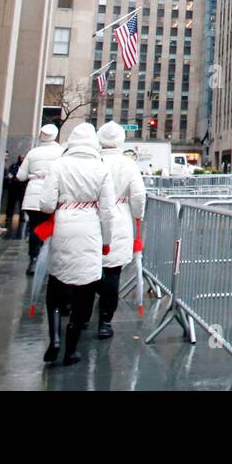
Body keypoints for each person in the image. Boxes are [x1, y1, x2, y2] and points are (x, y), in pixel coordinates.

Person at [37, 122, 116, 366]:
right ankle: (71, 348)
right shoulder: (101, 169)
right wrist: (107, 241)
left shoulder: (59, 165)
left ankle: (55, 338)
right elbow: (108, 212)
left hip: (64, 226)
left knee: (57, 284)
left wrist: (63, 205)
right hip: (90, 229)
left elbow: (46, 204)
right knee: (85, 288)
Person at [94, 122, 146, 340]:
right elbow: (138, 195)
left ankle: (83, 314)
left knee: (89, 267)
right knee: (113, 270)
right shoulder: (128, 164)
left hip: (91, 215)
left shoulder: (93, 161)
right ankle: (105, 320)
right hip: (119, 216)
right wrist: (138, 215)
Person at [16, 125, 64, 276]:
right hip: (53, 195)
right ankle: (50, 259)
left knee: (35, 229)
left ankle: (34, 259)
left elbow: (20, 176)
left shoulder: (32, 153)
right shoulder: (61, 152)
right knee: (53, 228)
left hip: (32, 197)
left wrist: (33, 175)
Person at [4, 152, 27, 239]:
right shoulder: (14, 166)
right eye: (21, 158)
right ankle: (8, 216)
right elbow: (10, 174)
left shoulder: (25, 168)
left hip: (22, 187)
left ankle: (22, 217)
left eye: (23, 158)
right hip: (13, 187)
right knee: (11, 203)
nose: (22, 160)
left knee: (22, 204)